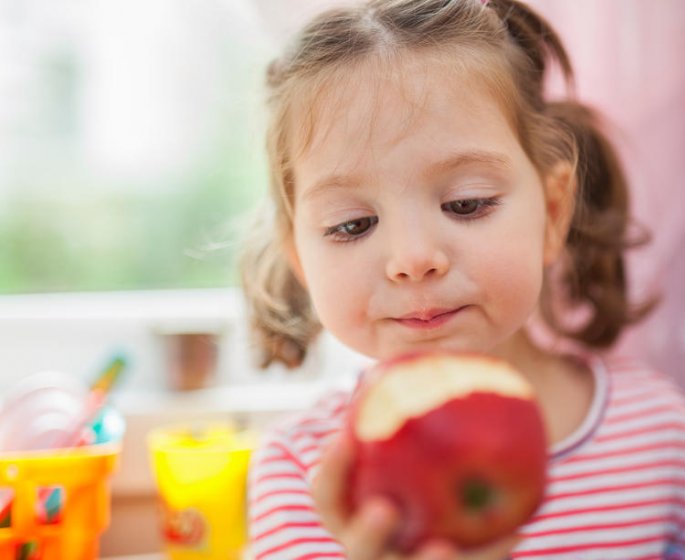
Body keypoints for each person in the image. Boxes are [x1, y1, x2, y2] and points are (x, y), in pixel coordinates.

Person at [240, 0, 685, 558]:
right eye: (352, 225)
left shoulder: (660, 436)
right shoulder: (303, 474)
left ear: (551, 214)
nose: (413, 257)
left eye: (466, 203)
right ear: (301, 261)